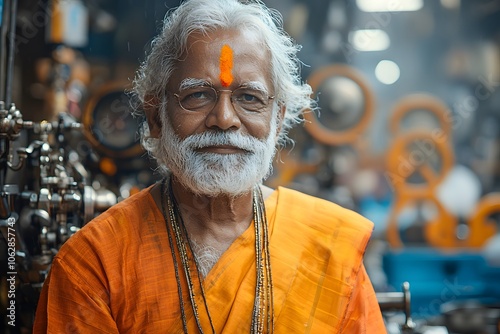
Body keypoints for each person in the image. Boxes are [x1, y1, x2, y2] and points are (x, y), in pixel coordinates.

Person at [34, 0, 386, 332]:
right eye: (198, 95)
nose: (225, 119)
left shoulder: (330, 251)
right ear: (156, 116)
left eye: (249, 98)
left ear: (277, 121)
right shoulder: (94, 263)